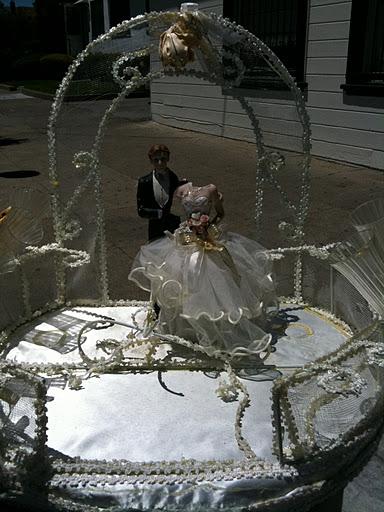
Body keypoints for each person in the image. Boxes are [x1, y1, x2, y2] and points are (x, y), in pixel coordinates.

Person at [129, 182, 277, 358]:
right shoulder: (182, 190)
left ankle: (218, 330)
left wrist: (208, 227)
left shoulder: (212, 189)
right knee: (181, 281)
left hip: (207, 238)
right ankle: (189, 329)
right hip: (188, 238)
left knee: (216, 283)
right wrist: (192, 227)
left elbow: (220, 213)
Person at [137, 144, 187, 241]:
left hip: (173, 227)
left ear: (168, 159)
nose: (160, 163)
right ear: (151, 160)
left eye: (163, 159)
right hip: (155, 229)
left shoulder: (173, 178)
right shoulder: (145, 182)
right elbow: (141, 210)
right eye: (156, 160)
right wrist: (160, 213)